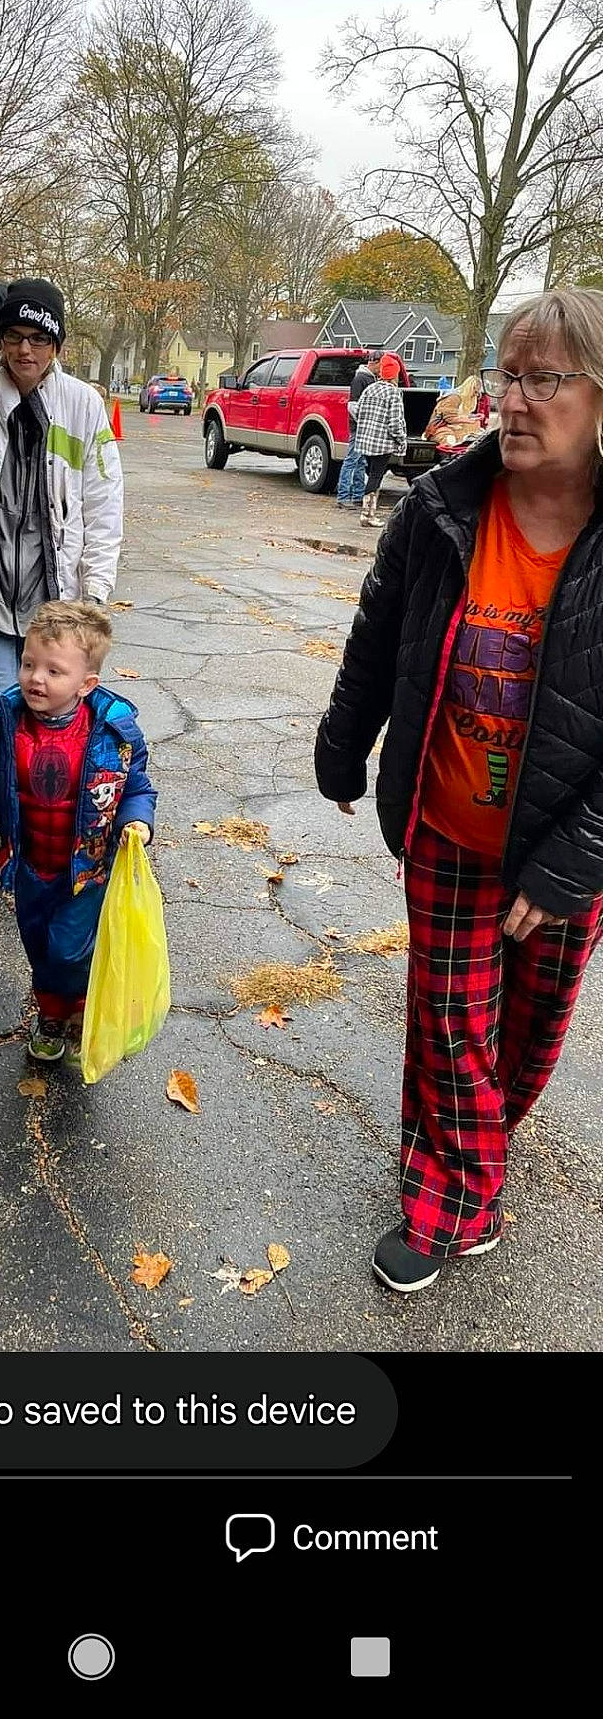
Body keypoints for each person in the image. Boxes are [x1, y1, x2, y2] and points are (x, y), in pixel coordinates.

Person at [314, 288, 603, 1295]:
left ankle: (460, 1142)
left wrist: (573, 861)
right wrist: (342, 748)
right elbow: (376, 638)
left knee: (524, 1034)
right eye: (505, 376)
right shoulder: (440, 508)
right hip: (447, 821)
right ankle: (455, 1197)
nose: (512, 401)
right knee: (449, 1020)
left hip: (563, 843)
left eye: (544, 379)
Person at [0, 277, 124, 892]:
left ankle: (54, 831)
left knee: (58, 714)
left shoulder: (83, 406)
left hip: (54, 597)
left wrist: (95, 592)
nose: (25, 350)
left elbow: (104, 503)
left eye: (38, 338)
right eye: (13, 337)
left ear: (57, 343)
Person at [0, 599, 156, 1063]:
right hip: (29, 869)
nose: (36, 678)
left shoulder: (113, 732)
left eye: (54, 671)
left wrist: (137, 821)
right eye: (29, 664)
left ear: (86, 684)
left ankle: (82, 1004)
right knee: (40, 947)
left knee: (69, 949)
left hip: (87, 872)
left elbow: (136, 787)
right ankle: (51, 1014)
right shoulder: (2, 726)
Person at [353, 354, 407, 526]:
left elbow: (357, 412)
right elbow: (395, 422)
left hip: (365, 442)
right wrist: (401, 440)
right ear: (394, 375)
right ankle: (368, 515)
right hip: (382, 443)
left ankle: (368, 512)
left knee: (371, 475)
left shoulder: (370, 389)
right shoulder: (394, 393)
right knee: (376, 477)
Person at [335, 352, 381, 509]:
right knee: (351, 460)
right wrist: (364, 422)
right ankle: (343, 496)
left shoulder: (371, 379)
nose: (382, 369)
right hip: (358, 428)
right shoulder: (360, 379)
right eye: (381, 364)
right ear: (374, 362)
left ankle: (357, 496)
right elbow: (352, 405)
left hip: (362, 427)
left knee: (360, 462)